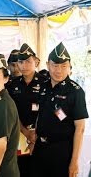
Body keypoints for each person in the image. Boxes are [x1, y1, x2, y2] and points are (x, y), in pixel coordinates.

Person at [30, 42, 89, 177]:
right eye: (55, 65)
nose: (59, 70)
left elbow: (80, 128)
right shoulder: (42, 87)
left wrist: (74, 161)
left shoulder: (75, 92)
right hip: (40, 148)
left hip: (61, 150)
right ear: (47, 65)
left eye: (63, 66)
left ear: (69, 67)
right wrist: (34, 139)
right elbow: (38, 113)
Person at [6, 43, 47, 176]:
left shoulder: (46, 83)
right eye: (21, 62)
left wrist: (35, 134)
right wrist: (25, 131)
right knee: (20, 170)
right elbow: (11, 113)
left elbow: (49, 112)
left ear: (35, 62)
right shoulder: (12, 85)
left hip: (40, 137)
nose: (24, 65)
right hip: (18, 135)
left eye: (28, 61)